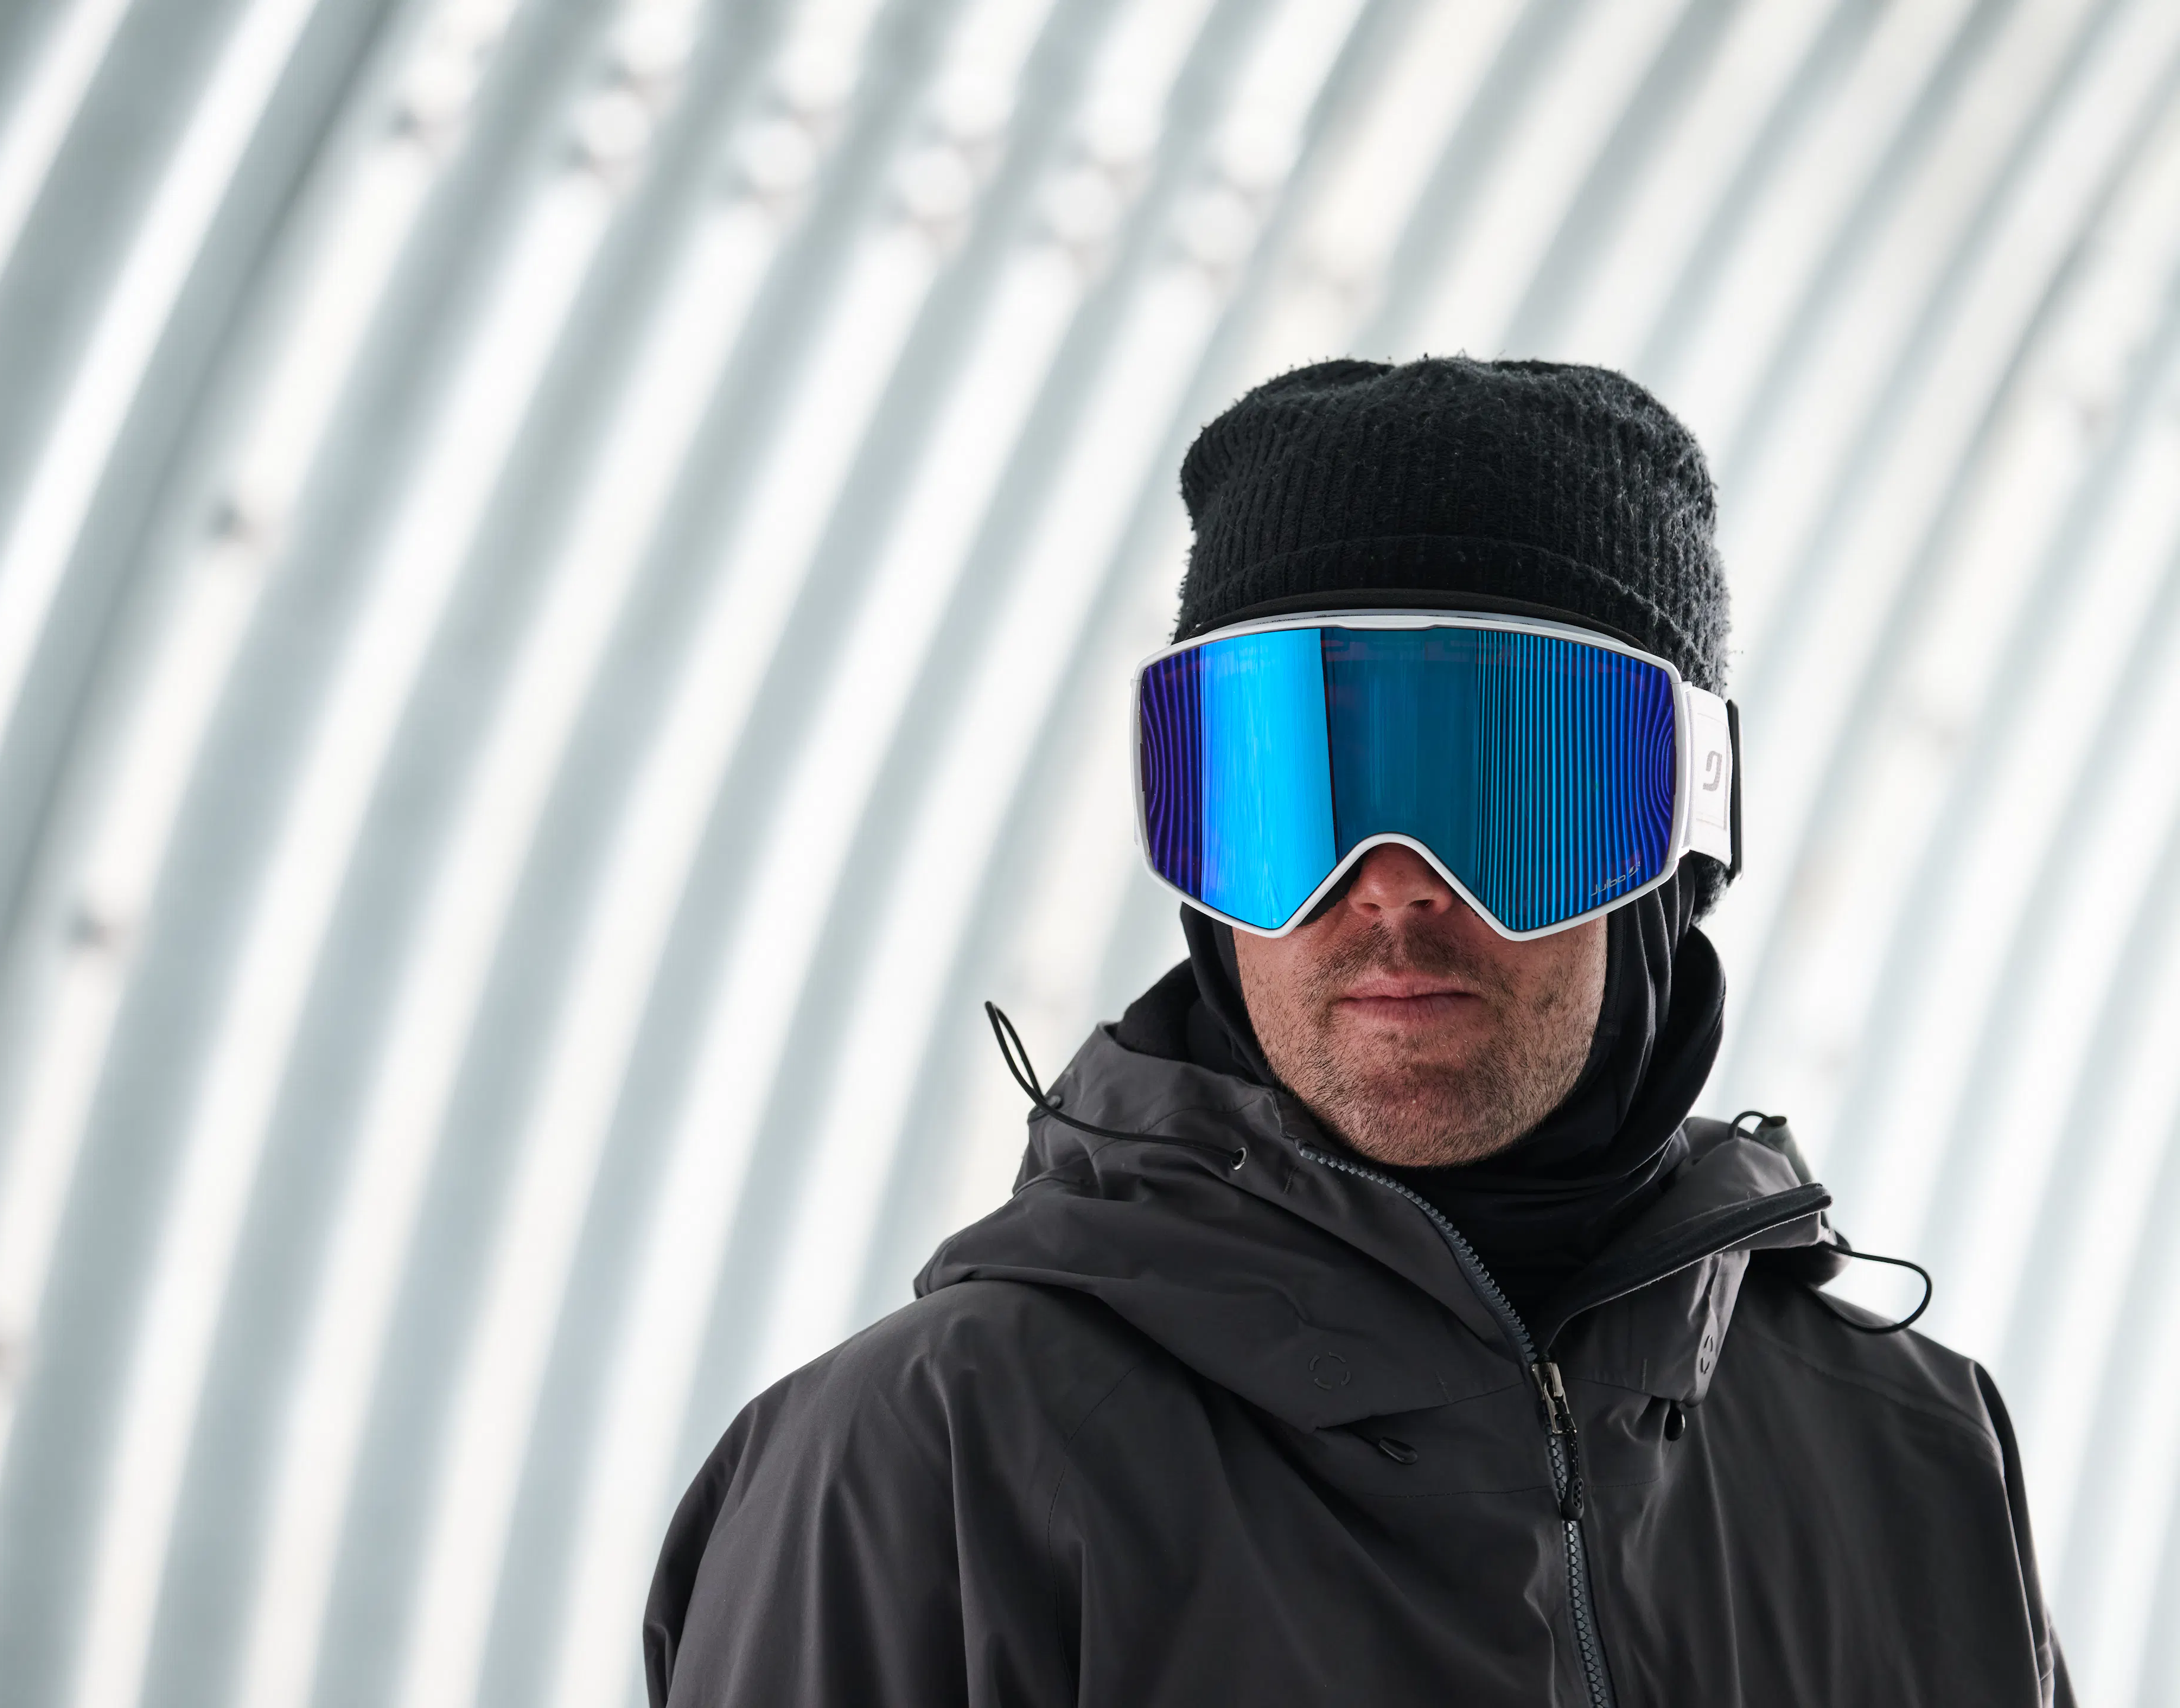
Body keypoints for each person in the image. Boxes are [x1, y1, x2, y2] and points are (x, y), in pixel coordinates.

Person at [644, 359, 2071, 1706]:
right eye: (1292, 798)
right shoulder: (935, 1463)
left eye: (1506, 789)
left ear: (1680, 836)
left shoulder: (1912, 1456)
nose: (1389, 884)